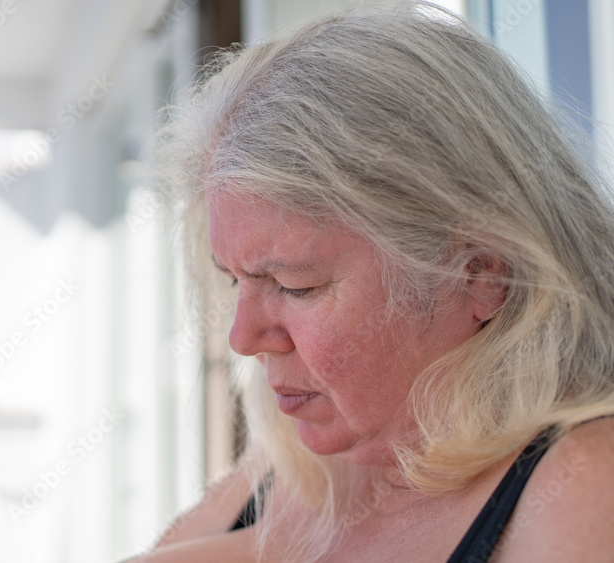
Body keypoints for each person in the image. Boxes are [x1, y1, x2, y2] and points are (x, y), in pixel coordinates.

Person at [137, 2, 614, 561]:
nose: (242, 337)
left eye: (296, 287)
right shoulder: (309, 449)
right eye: (236, 280)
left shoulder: (583, 481)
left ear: (481, 274)